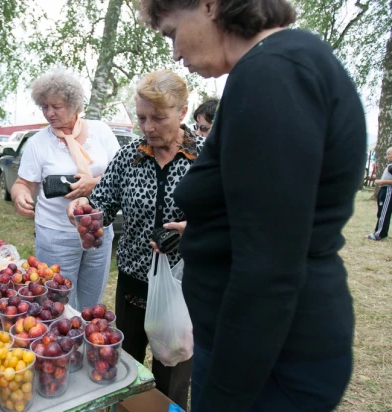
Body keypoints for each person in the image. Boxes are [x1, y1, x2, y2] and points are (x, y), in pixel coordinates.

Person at [140, 1, 366, 411]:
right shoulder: (287, 64)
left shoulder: (272, 73)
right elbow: (280, 212)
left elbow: (270, 264)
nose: (175, 53)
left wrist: (225, 396)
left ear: (209, 6)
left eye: (172, 32)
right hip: (264, 351)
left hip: (268, 361)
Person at [67, 70, 203, 410]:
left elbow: (230, 217)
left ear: (183, 111)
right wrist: (84, 209)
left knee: (173, 369)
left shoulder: (206, 160)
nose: (148, 126)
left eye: (158, 117)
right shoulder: (129, 157)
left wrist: (191, 229)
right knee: (125, 365)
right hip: (132, 282)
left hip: (184, 285)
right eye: (142, 117)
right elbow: (101, 206)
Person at [11, 70, 120, 311]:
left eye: (56, 106)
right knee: (56, 301)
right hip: (56, 234)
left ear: (74, 105)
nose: (49, 113)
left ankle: (85, 344)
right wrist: (20, 194)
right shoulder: (38, 142)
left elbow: (120, 175)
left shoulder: (101, 131)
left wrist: (92, 183)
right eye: (44, 106)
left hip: (98, 229)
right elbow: (23, 183)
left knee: (91, 302)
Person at [366, 147, 392, 240]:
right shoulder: (390, 165)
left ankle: (379, 234)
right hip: (384, 189)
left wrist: (382, 182)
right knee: (381, 212)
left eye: (389, 154)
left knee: (384, 213)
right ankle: (380, 231)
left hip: (388, 190)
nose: (387, 156)